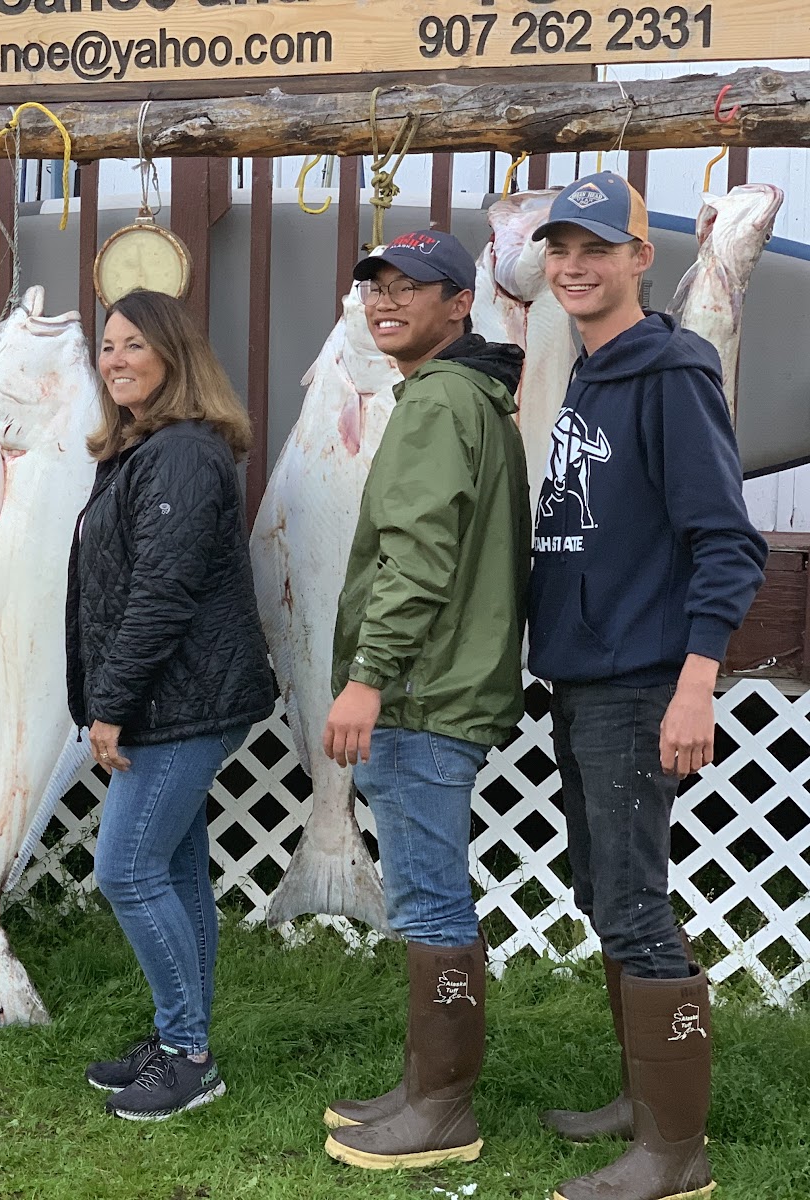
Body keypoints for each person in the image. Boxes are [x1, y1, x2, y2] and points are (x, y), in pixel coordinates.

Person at [529, 172, 766, 1200]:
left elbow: (726, 539)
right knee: (599, 891)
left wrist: (695, 681)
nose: (574, 267)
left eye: (596, 248)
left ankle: (674, 1151)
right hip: (583, 676)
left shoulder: (670, 371)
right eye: (560, 250)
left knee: (630, 906)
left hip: (641, 680)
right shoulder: (590, 371)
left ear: (641, 259)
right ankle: (641, 1098)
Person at [317, 230, 529, 1171]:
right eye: (375, 286)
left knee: (433, 902)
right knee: (424, 896)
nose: (386, 300)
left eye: (413, 286)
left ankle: (442, 1110)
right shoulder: (465, 395)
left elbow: (419, 556)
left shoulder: (440, 402)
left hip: (418, 693)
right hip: (434, 686)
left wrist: (368, 678)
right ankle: (422, 1086)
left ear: (459, 305)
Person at [66, 289, 276, 1121]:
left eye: (133, 347)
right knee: (177, 872)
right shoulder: (144, 450)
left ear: (173, 357)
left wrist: (109, 707)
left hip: (180, 698)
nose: (115, 360)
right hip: (171, 696)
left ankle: (189, 1055)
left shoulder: (183, 455)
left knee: (125, 869)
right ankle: (177, 1036)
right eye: (108, 346)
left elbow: (161, 593)